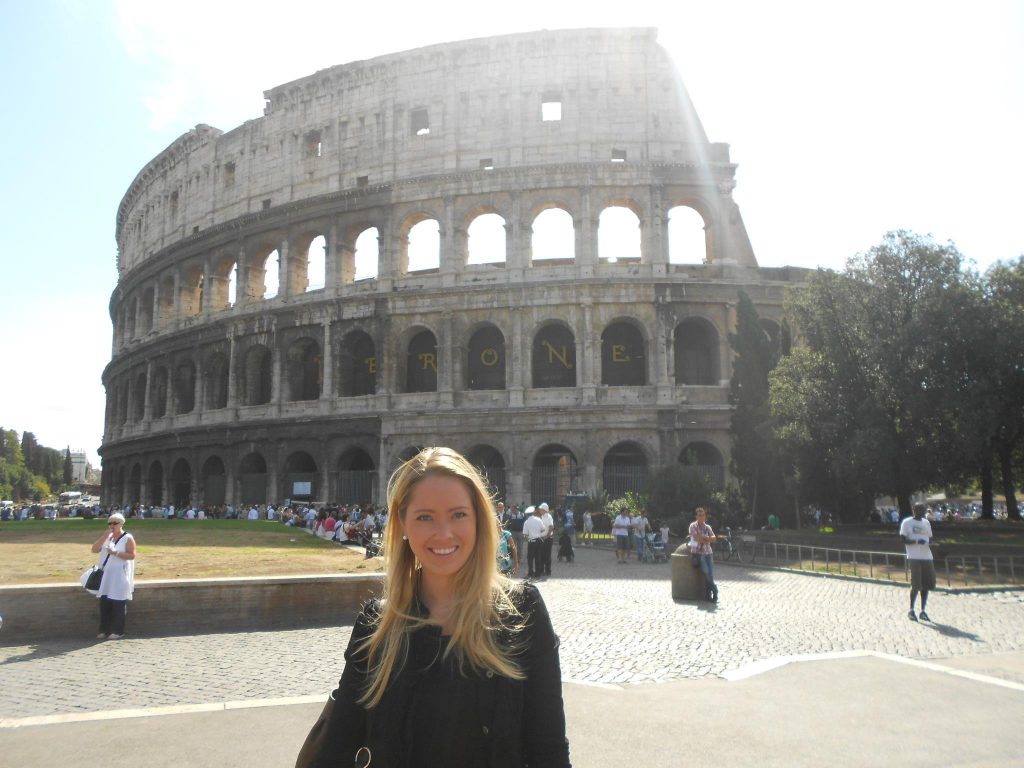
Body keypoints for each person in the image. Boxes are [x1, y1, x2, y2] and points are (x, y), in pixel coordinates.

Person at [296, 447, 571, 768]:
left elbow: (549, 750)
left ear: (479, 520)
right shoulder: (377, 624)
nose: (444, 533)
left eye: (458, 514)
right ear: (402, 524)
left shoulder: (523, 611)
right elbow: (334, 749)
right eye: (425, 516)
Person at [90, 512, 136, 639]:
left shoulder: (128, 537)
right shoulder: (107, 537)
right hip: (106, 575)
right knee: (104, 603)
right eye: (109, 523)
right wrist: (103, 536)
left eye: (114, 523)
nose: (111, 525)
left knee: (118, 603)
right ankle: (103, 630)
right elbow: (94, 549)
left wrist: (116, 553)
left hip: (120, 575)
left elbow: (132, 555)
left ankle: (118, 630)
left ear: (121, 524)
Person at [900, 505, 935, 621]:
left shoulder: (926, 523)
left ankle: (923, 610)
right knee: (916, 584)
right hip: (914, 556)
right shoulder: (907, 522)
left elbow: (930, 538)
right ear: (914, 510)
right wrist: (915, 541)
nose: (922, 512)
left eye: (923, 510)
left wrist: (933, 544)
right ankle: (911, 610)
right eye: (919, 510)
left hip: (927, 556)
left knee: (926, 585)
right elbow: (903, 540)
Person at [688, 507, 718, 602]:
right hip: (699, 554)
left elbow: (714, 539)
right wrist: (707, 538)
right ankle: (715, 590)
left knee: (709, 574)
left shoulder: (708, 527)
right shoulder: (693, 526)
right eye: (699, 515)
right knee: (706, 573)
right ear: (696, 516)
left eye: (703, 515)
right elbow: (697, 538)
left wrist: (704, 538)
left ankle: (708, 596)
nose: (701, 517)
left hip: (708, 553)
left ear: (705, 516)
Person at [523, 505, 547, 579]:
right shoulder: (538, 520)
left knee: (530, 558)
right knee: (538, 557)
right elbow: (543, 529)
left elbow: (525, 534)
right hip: (539, 540)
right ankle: (538, 573)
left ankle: (530, 573)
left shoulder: (526, 522)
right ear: (533, 512)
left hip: (531, 541)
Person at [538, 502, 555, 576]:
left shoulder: (548, 516)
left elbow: (551, 527)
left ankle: (548, 571)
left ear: (545, 509)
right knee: (541, 555)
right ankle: (541, 570)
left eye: (541, 509)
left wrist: (546, 536)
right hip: (542, 538)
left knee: (547, 555)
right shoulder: (541, 516)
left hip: (547, 539)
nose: (539, 510)